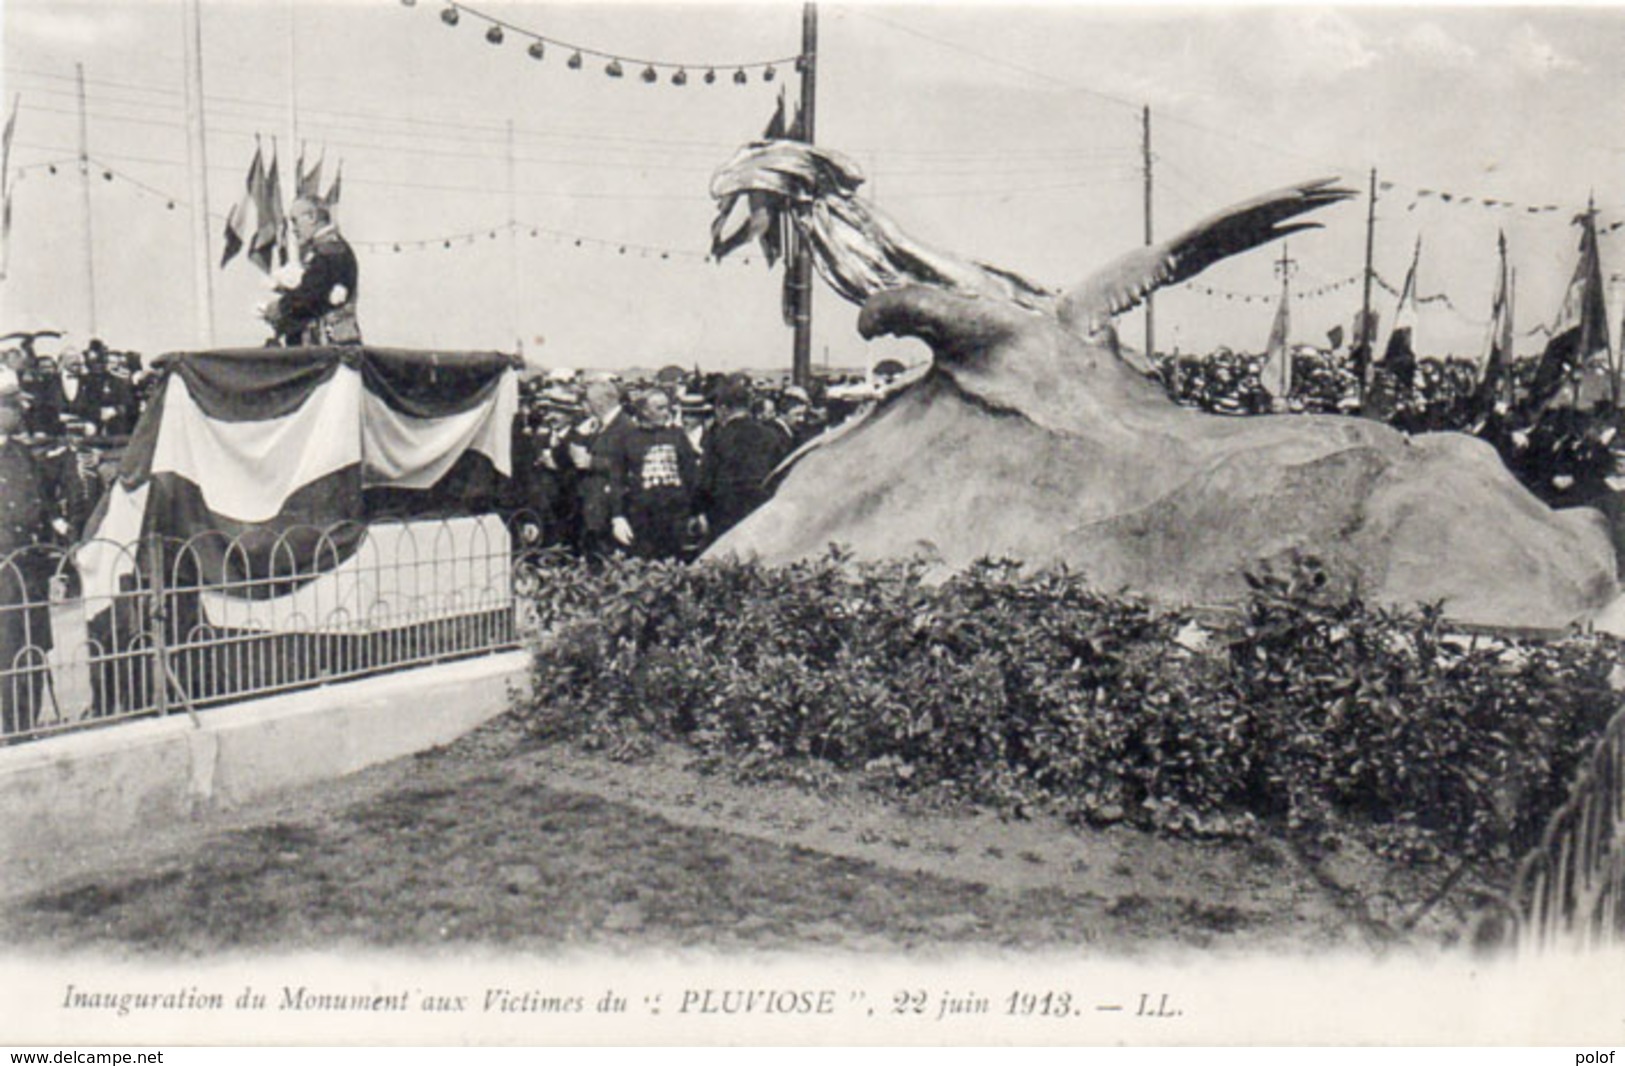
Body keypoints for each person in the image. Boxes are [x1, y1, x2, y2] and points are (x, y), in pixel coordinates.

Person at [0, 372, 57, 738]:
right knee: (4, 651)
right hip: (2, 570)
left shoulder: (22, 454)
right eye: (10, 403)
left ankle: (25, 728)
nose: (19, 410)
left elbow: (45, 509)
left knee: (31, 648)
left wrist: (53, 564)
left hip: (29, 568)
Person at [696, 377, 791, 543]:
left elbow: (705, 480)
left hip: (724, 512)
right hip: (760, 509)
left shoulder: (718, 438)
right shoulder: (771, 435)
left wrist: (698, 510)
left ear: (723, 409)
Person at [613, 388, 700, 561]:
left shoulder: (677, 436)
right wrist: (618, 516)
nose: (666, 413)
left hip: (676, 516)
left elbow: (691, 475)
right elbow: (617, 478)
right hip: (643, 517)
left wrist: (697, 511)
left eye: (667, 408)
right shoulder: (629, 438)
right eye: (659, 408)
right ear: (645, 411)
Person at [263, 196, 362, 347]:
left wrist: (279, 308)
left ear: (312, 217)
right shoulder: (328, 248)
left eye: (295, 221)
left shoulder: (330, 250)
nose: (294, 229)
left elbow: (311, 295)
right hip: (332, 345)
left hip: (329, 349)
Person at [565, 379, 639, 560]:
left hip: (610, 509)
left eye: (588, 403)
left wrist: (594, 462)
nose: (585, 408)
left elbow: (631, 464)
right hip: (594, 509)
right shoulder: (598, 425)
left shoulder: (626, 427)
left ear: (598, 403)